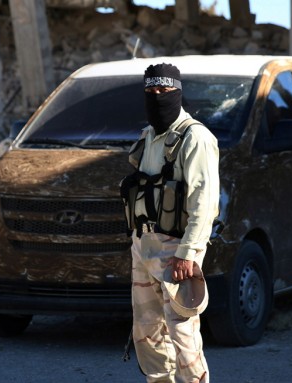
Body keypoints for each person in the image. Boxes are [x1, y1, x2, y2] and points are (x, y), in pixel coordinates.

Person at [123, 63, 220, 383]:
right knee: (147, 332)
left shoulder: (196, 138)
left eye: (164, 92)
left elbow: (204, 204)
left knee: (183, 333)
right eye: (151, 91)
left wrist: (188, 254)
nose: (157, 97)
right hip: (144, 245)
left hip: (176, 250)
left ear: (178, 94)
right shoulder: (149, 136)